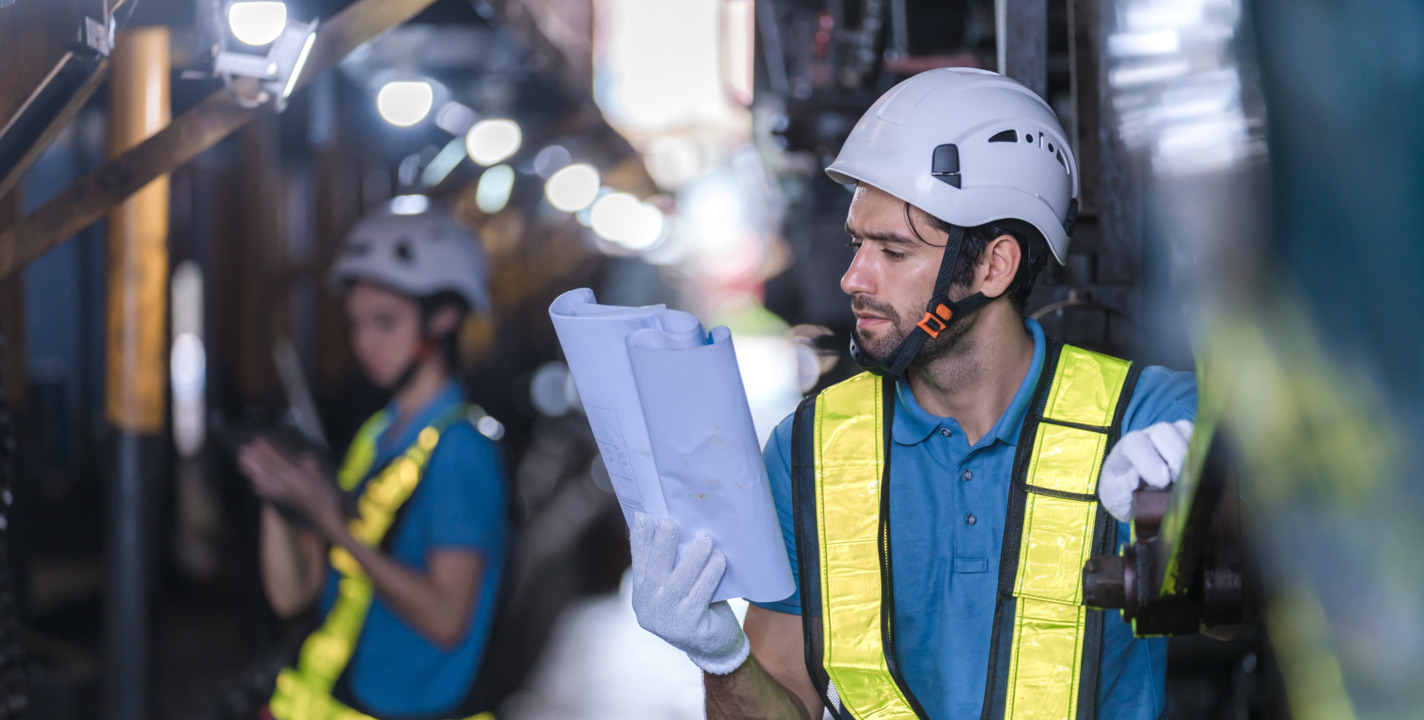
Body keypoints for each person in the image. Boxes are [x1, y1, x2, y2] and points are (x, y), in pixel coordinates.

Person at [627, 68, 1197, 719]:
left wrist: (1206, 499)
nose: (851, 277)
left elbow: (1261, 606)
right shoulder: (809, 450)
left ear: (992, 265)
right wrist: (721, 658)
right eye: (856, 242)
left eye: (893, 252)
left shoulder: (1145, 422)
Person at [238, 198, 508, 720]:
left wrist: (331, 523)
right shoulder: (379, 432)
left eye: (384, 322)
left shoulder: (461, 450)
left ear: (444, 317)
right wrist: (284, 501)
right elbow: (300, 594)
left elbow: (448, 617)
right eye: (356, 324)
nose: (365, 343)